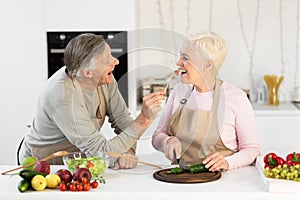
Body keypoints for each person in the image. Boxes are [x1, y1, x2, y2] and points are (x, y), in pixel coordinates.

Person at [19, 33, 166, 169]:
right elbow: (101, 154)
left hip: (78, 157)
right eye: (107, 60)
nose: (115, 61)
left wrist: (129, 150)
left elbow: (122, 120)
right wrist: (144, 120)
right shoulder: (63, 96)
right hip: (45, 164)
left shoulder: (104, 78)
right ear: (88, 72)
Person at [152, 31, 260, 171]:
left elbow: (251, 149)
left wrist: (228, 162)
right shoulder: (179, 91)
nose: (178, 63)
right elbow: (157, 136)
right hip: (181, 178)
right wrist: (166, 141)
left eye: (185, 58)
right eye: (180, 56)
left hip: (225, 181)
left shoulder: (236, 98)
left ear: (207, 65)